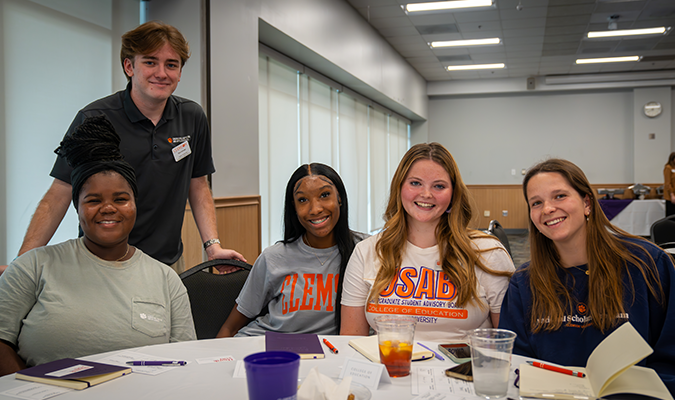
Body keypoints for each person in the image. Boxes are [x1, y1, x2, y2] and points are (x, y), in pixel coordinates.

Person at [3, 21, 243, 276]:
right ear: (129, 66)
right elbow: (60, 193)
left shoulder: (192, 116)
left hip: (166, 264)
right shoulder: (94, 118)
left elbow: (198, 184)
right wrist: (22, 263)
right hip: (103, 263)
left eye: (171, 64)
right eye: (150, 62)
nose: (161, 73)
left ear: (180, 72)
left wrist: (212, 246)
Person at [0, 116, 196, 377]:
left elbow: (184, 359)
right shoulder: (33, 266)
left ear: (134, 205)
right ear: (77, 208)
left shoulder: (166, 280)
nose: (108, 208)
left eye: (120, 199)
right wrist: (28, 386)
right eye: (93, 200)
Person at [498, 158, 675, 392]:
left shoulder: (647, 264)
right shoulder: (524, 283)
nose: (548, 208)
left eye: (559, 196)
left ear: (587, 203)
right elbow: (517, 364)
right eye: (537, 203)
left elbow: (669, 360)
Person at [340, 143, 514, 341]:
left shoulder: (488, 252)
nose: (426, 194)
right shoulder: (367, 251)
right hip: (392, 367)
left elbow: (506, 343)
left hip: (463, 370)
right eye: (415, 183)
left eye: (439, 186)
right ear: (399, 187)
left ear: (453, 194)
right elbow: (351, 342)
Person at [216, 163, 364, 337]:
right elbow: (230, 327)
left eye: (324, 195)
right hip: (267, 350)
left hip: (325, 356)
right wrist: (216, 361)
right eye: (302, 200)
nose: (315, 209)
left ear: (339, 197)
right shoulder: (273, 257)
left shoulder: (365, 250)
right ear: (293, 207)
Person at [664, 152, 675, 216]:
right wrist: (672, 194)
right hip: (671, 196)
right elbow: (668, 183)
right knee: (671, 214)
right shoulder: (668, 168)